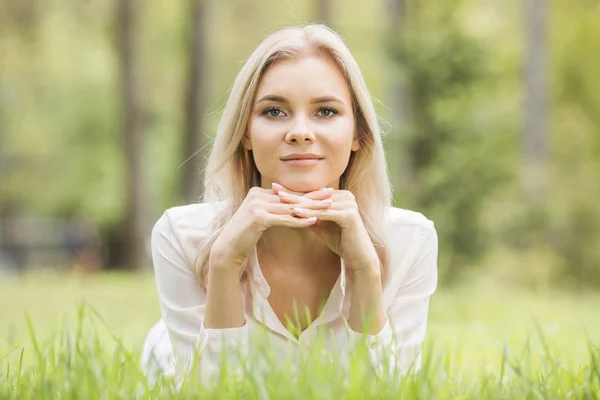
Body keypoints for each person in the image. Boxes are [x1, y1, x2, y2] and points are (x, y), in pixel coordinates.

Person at [141, 24, 438, 386]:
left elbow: (394, 392)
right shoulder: (181, 235)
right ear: (246, 133)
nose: (300, 132)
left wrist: (365, 270)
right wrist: (223, 263)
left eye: (326, 111)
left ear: (358, 134)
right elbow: (207, 392)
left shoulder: (411, 240)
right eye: (274, 112)